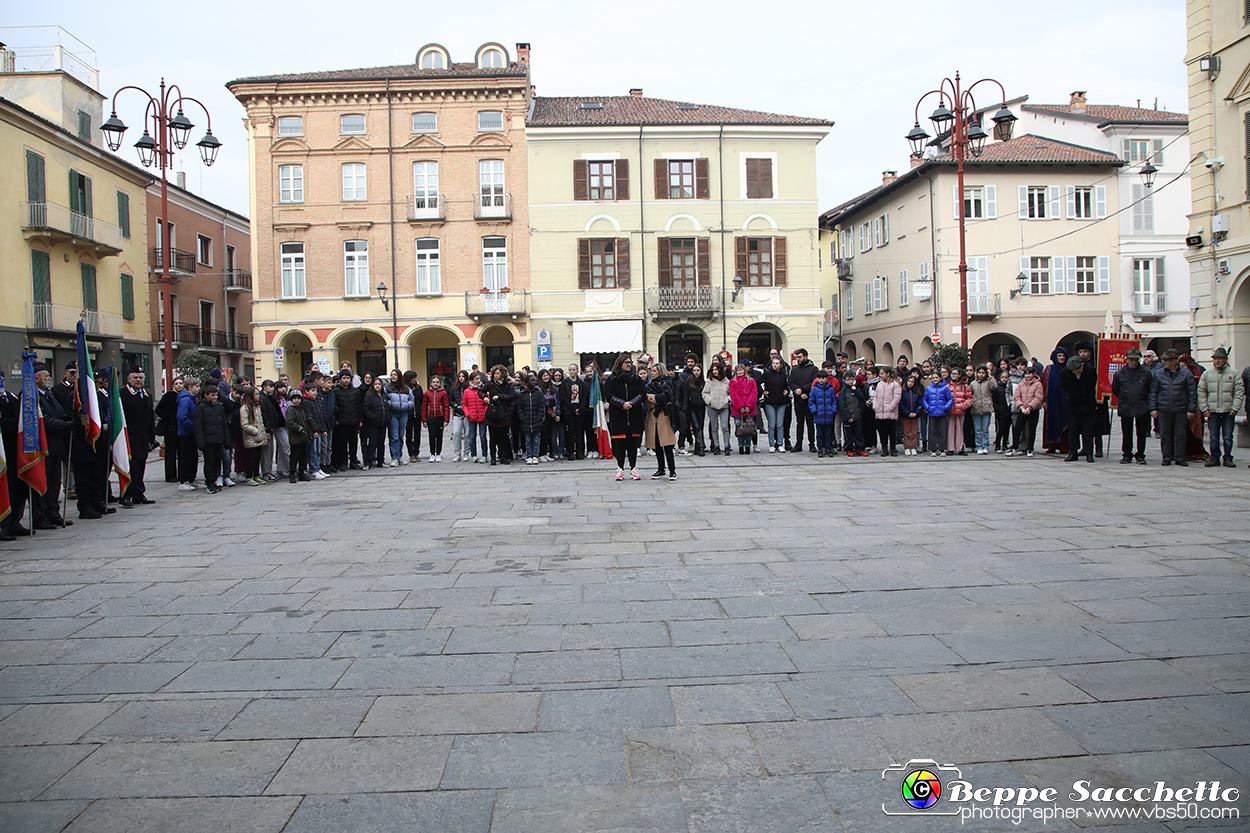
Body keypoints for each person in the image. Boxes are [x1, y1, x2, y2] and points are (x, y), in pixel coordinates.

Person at [32, 363, 72, 529]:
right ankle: (40, 516)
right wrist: (65, 425)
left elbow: (59, 412)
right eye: (46, 376)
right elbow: (44, 420)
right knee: (43, 482)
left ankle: (53, 512)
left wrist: (70, 416)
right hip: (42, 446)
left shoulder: (48, 394)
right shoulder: (32, 396)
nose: (49, 378)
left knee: (55, 482)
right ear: (36, 378)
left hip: (56, 446)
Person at [1197, 347, 1244, 468]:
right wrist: (1205, 408)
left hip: (1228, 410)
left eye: (1219, 359)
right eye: (1215, 358)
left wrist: (1235, 407)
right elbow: (1201, 391)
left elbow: (1239, 391)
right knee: (1214, 436)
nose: (1217, 361)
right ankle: (1214, 457)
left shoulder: (1233, 373)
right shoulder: (1207, 374)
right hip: (1213, 410)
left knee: (1228, 436)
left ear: (1225, 360)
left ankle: (1228, 457)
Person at [1149, 349, 1196, 467]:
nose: (1164, 362)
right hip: (1164, 408)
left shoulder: (1186, 374)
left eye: (1167, 360)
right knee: (1165, 435)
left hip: (1181, 408)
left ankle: (1180, 457)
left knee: (1180, 434)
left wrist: (1191, 409)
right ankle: (1166, 457)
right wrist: (1153, 408)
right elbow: (1154, 392)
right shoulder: (1159, 374)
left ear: (1174, 361)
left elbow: (1192, 393)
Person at [605, 354, 645, 480]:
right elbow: (609, 396)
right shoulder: (612, 379)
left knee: (633, 444)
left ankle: (633, 468)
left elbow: (642, 394)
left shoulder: (636, 379)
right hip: (618, 416)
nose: (629, 364)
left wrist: (632, 403)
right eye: (626, 362)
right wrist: (622, 404)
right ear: (620, 363)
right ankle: (620, 468)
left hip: (634, 415)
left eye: (630, 362)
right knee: (619, 444)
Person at [1111, 347, 1153, 465]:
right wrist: (1124, 397)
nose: (1134, 362)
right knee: (1126, 432)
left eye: (1136, 360)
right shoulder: (1120, 373)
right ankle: (1127, 454)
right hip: (1126, 405)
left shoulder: (1146, 373)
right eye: (1131, 360)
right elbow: (1115, 388)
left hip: (1141, 405)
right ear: (1127, 360)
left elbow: (1150, 388)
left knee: (1141, 432)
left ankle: (1140, 454)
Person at [193, 382, 229, 493]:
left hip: (218, 439)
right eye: (212, 395)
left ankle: (215, 481)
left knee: (217, 461)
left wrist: (226, 439)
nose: (215, 397)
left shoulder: (218, 407)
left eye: (216, 395)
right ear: (206, 395)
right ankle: (209, 482)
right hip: (208, 440)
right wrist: (201, 442)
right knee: (209, 462)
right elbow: (198, 426)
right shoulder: (201, 408)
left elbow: (223, 424)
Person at [1060, 355, 1098, 463]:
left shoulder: (1090, 371)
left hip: (1087, 404)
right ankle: (1073, 452)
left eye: (1077, 370)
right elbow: (1064, 387)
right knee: (1073, 430)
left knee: (1088, 430)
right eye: (1073, 371)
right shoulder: (1065, 373)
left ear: (1082, 366)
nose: (1075, 372)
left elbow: (1092, 385)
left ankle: (1089, 453)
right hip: (1073, 404)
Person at [644, 362, 678, 480]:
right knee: (656, 443)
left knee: (667, 444)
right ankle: (661, 469)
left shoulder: (667, 383)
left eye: (654, 371)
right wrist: (655, 398)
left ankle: (672, 470)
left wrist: (653, 397)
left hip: (665, 415)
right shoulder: (650, 385)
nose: (652, 373)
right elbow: (646, 401)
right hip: (653, 416)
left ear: (660, 371)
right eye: (651, 371)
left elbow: (666, 398)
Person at [1009, 365, 1044, 457]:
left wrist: (1030, 407)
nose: (1028, 376)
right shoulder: (1021, 385)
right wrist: (1021, 407)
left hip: (1033, 410)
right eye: (1026, 374)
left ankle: (1030, 448)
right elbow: (1017, 397)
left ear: (1033, 374)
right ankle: (1015, 447)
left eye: (1030, 374)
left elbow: (1038, 397)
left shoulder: (1038, 384)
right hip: (1022, 409)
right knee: (1017, 429)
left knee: (1031, 430)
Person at [332, 370, 363, 470]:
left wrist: (360, 419)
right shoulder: (335, 391)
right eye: (344, 378)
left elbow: (359, 406)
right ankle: (343, 461)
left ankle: (353, 460)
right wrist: (336, 419)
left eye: (348, 378)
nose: (346, 380)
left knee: (353, 442)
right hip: (342, 421)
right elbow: (334, 407)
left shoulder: (355, 391)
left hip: (353, 420)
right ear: (340, 379)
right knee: (342, 443)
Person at [483, 365, 514, 466]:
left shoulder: (507, 385)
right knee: (493, 437)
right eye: (495, 374)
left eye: (498, 373)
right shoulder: (490, 384)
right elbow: (480, 391)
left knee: (503, 437)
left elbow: (511, 396)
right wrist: (485, 397)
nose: (496, 375)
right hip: (493, 412)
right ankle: (492, 457)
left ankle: (503, 456)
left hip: (504, 412)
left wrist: (500, 397)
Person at [1042, 346, 1070, 454]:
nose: (1062, 358)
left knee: (1066, 423)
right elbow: (1044, 385)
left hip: (1065, 401)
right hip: (1052, 400)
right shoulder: (1049, 369)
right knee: (1052, 422)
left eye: (1063, 356)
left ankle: (1064, 447)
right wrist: (1044, 400)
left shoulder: (1068, 369)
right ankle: (1052, 446)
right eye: (1059, 356)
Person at [789, 348, 818, 453]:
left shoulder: (813, 369)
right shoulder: (795, 370)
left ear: (805, 356)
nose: (798, 359)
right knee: (799, 422)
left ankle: (812, 444)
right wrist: (797, 390)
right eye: (797, 357)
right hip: (798, 399)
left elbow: (814, 382)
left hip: (809, 399)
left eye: (800, 357)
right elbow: (791, 382)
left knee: (810, 423)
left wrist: (804, 390)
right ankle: (798, 444)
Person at [238, 386, 268, 485]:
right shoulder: (245, 407)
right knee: (252, 457)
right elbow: (245, 425)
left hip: (259, 435)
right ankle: (249, 476)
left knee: (258, 457)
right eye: (256, 394)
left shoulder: (257, 406)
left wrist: (263, 432)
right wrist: (256, 432)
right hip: (251, 436)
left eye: (258, 394)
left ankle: (256, 474)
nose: (258, 396)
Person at [761, 357, 791, 453]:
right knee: (771, 424)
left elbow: (788, 385)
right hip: (770, 402)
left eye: (777, 363)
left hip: (781, 402)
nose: (775, 365)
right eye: (774, 363)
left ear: (781, 365)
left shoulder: (784, 374)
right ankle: (772, 444)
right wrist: (763, 392)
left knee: (780, 424)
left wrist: (787, 391)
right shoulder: (767, 374)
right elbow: (757, 382)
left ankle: (780, 443)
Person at [155, 375, 182, 483]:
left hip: (180, 427)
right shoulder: (169, 396)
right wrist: (170, 418)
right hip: (171, 428)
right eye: (176, 384)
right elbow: (159, 410)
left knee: (181, 451)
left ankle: (181, 474)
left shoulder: (184, 396)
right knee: (170, 451)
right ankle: (170, 475)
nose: (179, 385)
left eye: (180, 383)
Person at [175, 378, 200, 490]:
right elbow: (182, 417)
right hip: (186, 434)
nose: (198, 388)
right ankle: (184, 480)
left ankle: (191, 479)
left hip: (190, 433)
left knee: (193, 457)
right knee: (186, 457)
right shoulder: (185, 400)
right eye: (197, 386)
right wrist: (193, 426)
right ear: (190, 387)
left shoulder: (191, 399)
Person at [923, 367, 954, 457]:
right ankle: (932, 449)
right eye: (933, 378)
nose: (935, 379)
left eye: (937, 377)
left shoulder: (945, 388)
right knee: (932, 431)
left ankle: (942, 448)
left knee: (942, 431)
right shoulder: (928, 389)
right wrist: (928, 407)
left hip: (942, 413)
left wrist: (945, 407)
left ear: (940, 378)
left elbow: (950, 399)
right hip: (932, 413)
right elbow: (924, 400)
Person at [385, 371, 414, 466]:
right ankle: (394, 457)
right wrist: (393, 405)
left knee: (401, 436)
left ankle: (399, 456)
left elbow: (412, 400)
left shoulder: (406, 389)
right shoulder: (387, 388)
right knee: (394, 436)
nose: (393, 376)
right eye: (392, 375)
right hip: (393, 413)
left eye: (395, 375)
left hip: (403, 413)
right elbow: (385, 400)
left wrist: (406, 406)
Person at [729, 363, 758, 456]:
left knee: (749, 428)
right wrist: (740, 406)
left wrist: (749, 405)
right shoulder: (732, 382)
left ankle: (748, 446)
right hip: (738, 409)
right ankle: (741, 446)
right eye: (738, 370)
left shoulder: (751, 381)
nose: (740, 372)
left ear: (744, 370)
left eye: (741, 370)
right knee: (740, 429)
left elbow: (754, 393)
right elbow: (733, 395)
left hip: (750, 409)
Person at [703, 363, 732, 456]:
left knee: (725, 427)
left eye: (717, 369)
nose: (715, 371)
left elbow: (730, 393)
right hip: (712, 407)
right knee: (714, 427)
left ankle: (727, 446)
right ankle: (716, 446)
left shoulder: (726, 381)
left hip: (724, 407)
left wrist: (728, 400)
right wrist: (709, 400)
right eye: (713, 370)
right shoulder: (709, 381)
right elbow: (704, 393)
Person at [678, 364, 707, 457]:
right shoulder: (688, 382)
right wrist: (685, 408)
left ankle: (698, 446)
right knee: (696, 426)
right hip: (691, 407)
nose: (696, 372)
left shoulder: (703, 382)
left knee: (700, 426)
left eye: (698, 370)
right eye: (694, 370)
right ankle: (701, 447)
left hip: (701, 407)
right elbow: (685, 395)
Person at [872, 367, 901, 457]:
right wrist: (875, 406)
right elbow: (875, 396)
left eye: (882, 373)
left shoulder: (895, 384)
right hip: (880, 412)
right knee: (882, 432)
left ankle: (892, 448)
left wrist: (890, 407)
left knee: (891, 431)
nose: (880, 375)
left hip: (890, 412)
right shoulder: (880, 384)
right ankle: (884, 448)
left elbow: (897, 397)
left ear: (888, 374)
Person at [809, 369, 838, 457]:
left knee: (828, 434)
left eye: (823, 378)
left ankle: (828, 448)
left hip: (829, 415)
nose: (822, 380)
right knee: (820, 434)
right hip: (819, 415)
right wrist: (814, 410)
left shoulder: (830, 389)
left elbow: (834, 401)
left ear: (826, 378)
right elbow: (811, 401)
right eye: (820, 378)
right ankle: (820, 448)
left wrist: (833, 410)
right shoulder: (814, 389)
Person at [969, 366, 997, 455]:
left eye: (983, 373)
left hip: (986, 407)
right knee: (977, 429)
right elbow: (970, 394)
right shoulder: (973, 383)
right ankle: (979, 446)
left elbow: (994, 386)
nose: (981, 374)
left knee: (985, 429)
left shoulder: (988, 382)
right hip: (976, 407)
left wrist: (991, 376)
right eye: (979, 373)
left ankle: (985, 446)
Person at [285, 389, 312, 483]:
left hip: (303, 436)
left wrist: (309, 433)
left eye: (298, 398)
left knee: (303, 456)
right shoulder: (291, 409)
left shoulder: (301, 409)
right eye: (294, 399)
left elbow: (305, 422)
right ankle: (292, 473)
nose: (296, 400)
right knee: (294, 456)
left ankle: (301, 473)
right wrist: (299, 428)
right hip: (296, 436)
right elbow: (290, 422)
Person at [838, 371, 867, 456]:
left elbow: (862, 399)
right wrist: (848, 416)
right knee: (849, 435)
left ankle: (860, 448)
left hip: (857, 415)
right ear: (844, 380)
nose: (850, 381)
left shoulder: (855, 389)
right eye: (848, 380)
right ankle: (849, 448)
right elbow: (842, 405)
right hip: (848, 417)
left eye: (852, 379)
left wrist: (857, 391)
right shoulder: (843, 392)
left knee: (859, 433)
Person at [422, 375, 450, 462]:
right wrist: (424, 420)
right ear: (431, 383)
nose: (435, 384)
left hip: (440, 417)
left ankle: (438, 453)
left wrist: (446, 419)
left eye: (437, 382)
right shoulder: (427, 393)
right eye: (434, 382)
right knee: (432, 436)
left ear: (440, 383)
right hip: (430, 417)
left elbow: (446, 407)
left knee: (439, 436)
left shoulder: (443, 393)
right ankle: (432, 453)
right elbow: (424, 407)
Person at [361, 377, 388, 467]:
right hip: (373, 423)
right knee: (372, 443)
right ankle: (368, 462)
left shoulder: (384, 395)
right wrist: (372, 417)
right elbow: (366, 409)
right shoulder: (369, 396)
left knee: (381, 443)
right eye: (375, 384)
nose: (377, 386)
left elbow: (387, 407)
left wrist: (388, 417)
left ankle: (381, 461)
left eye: (379, 384)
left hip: (383, 422)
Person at [463, 372, 489, 463]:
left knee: (483, 436)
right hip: (472, 416)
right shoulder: (467, 391)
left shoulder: (483, 390)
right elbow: (464, 404)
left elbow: (487, 402)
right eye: (476, 379)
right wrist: (468, 414)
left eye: (479, 379)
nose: (478, 381)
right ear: (471, 381)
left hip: (482, 416)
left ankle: (484, 455)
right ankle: (473, 454)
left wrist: (485, 413)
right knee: (472, 436)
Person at [947, 366, 973, 456]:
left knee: (960, 430)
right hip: (950, 410)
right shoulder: (947, 386)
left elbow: (969, 398)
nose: (953, 375)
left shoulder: (965, 386)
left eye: (955, 373)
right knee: (950, 429)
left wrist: (963, 406)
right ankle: (950, 448)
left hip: (960, 410)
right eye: (952, 373)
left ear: (960, 375)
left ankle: (960, 447)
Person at [899, 372, 923, 456]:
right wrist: (907, 413)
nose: (910, 383)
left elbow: (920, 403)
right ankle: (906, 447)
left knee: (914, 432)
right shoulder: (903, 392)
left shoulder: (917, 392)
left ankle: (913, 447)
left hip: (915, 415)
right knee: (906, 432)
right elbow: (901, 404)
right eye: (909, 381)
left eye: (912, 382)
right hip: (906, 415)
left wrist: (916, 412)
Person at [403, 370, 424, 462]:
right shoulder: (404, 389)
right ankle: (411, 453)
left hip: (417, 414)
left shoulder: (418, 388)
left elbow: (421, 400)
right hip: (408, 415)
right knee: (409, 435)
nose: (415, 380)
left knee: (417, 435)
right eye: (413, 378)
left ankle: (416, 452)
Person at [450, 370, 469, 462]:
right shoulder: (454, 388)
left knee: (467, 434)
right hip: (457, 413)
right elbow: (450, 400)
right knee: (456, 433)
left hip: (467, 413)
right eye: (459, 376)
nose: (461, 378)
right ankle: (457, 453)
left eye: (463, 376)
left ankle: (466, 452)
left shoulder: (468, 388)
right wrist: (455, 406)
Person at [992, 369, 1013, 454]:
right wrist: (997, 409)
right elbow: (994, 400)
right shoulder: (997, 388)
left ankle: (1005, 444)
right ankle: (997, 444)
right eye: (1003, 377)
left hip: (1008, 410)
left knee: (1007, 429)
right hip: (1000, 411)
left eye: (1006, 377)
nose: (1004, 379)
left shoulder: (1010, 387)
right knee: (1001, 429)